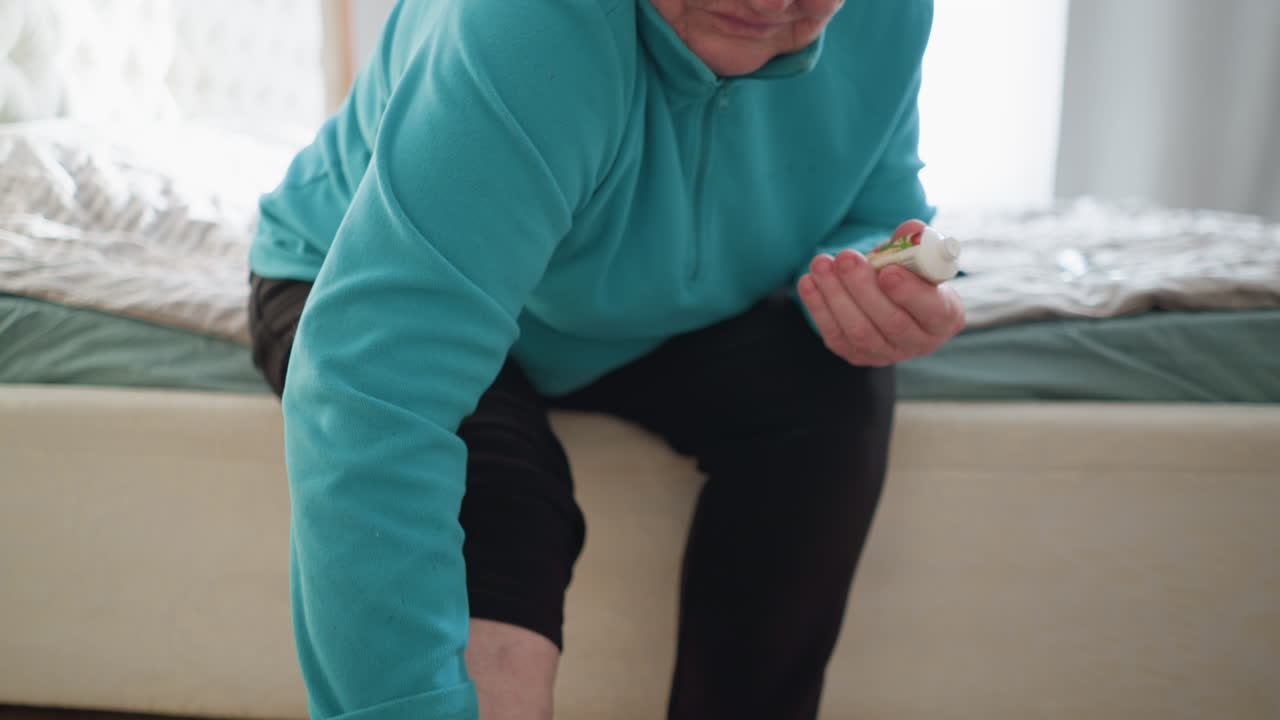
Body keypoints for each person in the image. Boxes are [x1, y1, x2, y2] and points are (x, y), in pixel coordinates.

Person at [246, 0, 964, 718]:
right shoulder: (525, 22)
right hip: (365, 270)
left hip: (648, 311)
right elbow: (377, 387)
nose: (770, 0)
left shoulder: (888, 12)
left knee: (830, 387)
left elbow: (876, 203)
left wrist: (868, 281)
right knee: (502, 497)